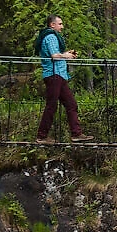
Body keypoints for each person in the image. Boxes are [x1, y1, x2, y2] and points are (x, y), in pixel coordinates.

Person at [33, 15, 93, 143]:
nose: (62, 26)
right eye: (60, 24)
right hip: (54, 75)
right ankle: (42, 136)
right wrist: (66, 55)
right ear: (52, 25)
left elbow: (56, 54)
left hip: (59, 76)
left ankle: (76, 134)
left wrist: (66, 54)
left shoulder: (51, 37)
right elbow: (55, 56)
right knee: (52, 106)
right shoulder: (51, 37)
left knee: (71, 104)